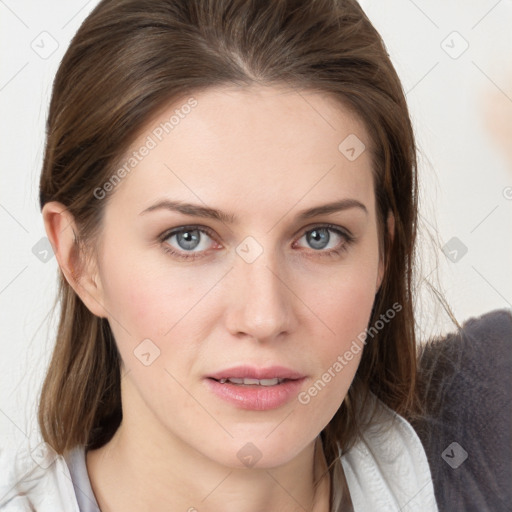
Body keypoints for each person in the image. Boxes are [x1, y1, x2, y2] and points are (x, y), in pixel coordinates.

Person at [0, 0, 440, 510]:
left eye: (320, 236)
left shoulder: (487, 454)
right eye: (189, 238)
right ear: (81, 261)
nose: (263, 317)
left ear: (384, 252)